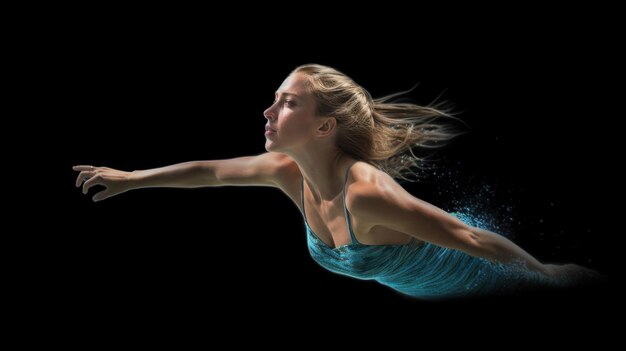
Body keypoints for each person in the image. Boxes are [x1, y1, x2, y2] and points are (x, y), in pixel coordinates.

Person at [74, 64, 599, 299]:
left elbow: (469, 239)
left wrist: (543, 275)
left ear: (325, 126)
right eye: (275, 98)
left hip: (494, 277)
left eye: (288, 103)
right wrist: (131, 179)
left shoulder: (364, 193)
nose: (268, 109)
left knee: (571, 285)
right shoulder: (287, 171)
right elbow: (210, 172)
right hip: (437, 297)